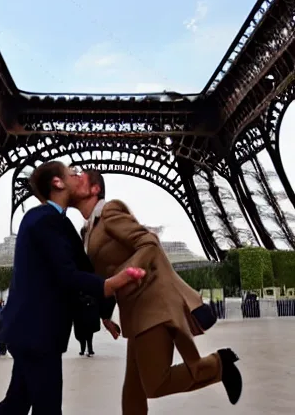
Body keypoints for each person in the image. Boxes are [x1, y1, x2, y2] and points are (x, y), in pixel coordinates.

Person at [0, 161, 144, 415]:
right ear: (58, 183)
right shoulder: (43, 220)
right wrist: (109, 286)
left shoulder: (57, 222)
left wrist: (105, 312)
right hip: (36, 332)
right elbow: (67, 274)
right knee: (46, 410)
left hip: (32, 330)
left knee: (15, 406)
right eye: (73, 174)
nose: (78, 176)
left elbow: (82, 269)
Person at [73, 169, 243, 414]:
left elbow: (149, 242)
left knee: (154, 384)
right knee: (133, 389)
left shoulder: (109, 212)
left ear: (94, 188)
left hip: (152, 304)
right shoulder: (88, 230)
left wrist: (127, 274)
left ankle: (218, 365)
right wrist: (105, 314)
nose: (73, 177)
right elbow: (104, 274)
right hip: (136, 310)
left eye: (79, 176)